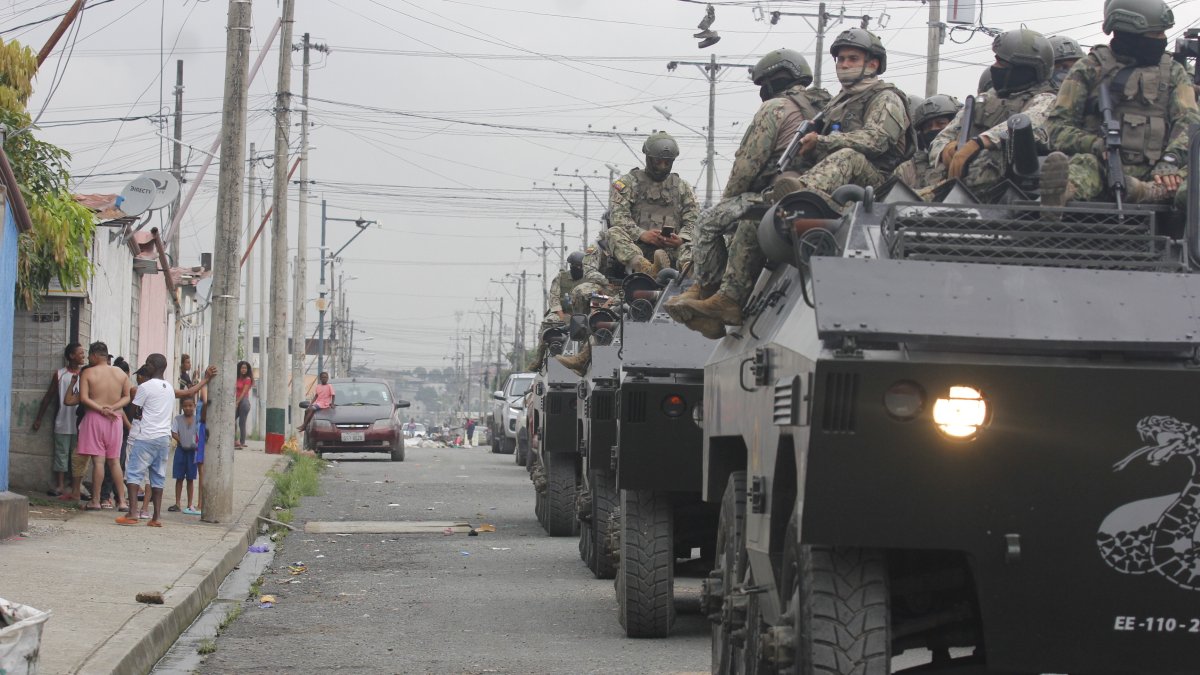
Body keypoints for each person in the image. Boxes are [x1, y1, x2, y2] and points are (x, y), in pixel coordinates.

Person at [672, 32, 911, 331]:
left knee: (847, 155)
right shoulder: (839, 102)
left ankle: (798, 198)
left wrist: (822, 141)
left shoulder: (886, 97)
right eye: (841, 59)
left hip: (876, 185)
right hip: (836, 182)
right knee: (752, 221)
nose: (845, 65)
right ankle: (728, 301)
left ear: (873, 64)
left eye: (854, 59)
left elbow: (877, 140)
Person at [666, 48, 830, 338]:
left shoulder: (774, 108)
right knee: (744, 223)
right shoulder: (820, 106)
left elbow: (747, 165)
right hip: (814, 191)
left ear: (771, 81)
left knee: (708, 222)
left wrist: (729, 199)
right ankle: (713, 299)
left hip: (777, 192)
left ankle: (707, 289)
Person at [1042, 0, 1199, 210]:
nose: (1163, 39)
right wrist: (1095, 145)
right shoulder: (1090, 68)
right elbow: (1056, 129)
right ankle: (1059, 196)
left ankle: (1146, 191)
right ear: (1130, 34)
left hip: (1162, 172)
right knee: (1082, 166)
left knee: (1194, 179)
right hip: (1103, 165)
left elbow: (1189, 122)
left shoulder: (1173, 71)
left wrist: (1171, 160)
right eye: (1156, 34)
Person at [931, 28, 1057, 198]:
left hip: (1015, 191)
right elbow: (942, 137)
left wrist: (979, 143)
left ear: (1025, 69)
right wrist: (947, 150)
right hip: (960, 193)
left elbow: (1030, 122)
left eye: (1002, 63)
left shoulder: (1047, 99)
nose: (994, 68)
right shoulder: (982, 100)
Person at [117, 354, 214, 527]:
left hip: (145, 436)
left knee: (133, 474)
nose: (145, 366)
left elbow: (137, 412)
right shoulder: (169, 387)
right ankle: (156, 518)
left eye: (147, 364)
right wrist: (206, 379)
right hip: (164, 439)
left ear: (152, 366)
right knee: (158, 476)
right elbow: (190, 392)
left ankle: (132, 513)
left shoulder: (144, 387)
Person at [606, 132, 700, 276]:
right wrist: (642, 234)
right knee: (613, 233)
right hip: (638, 248)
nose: (662, 166)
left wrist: (681, 238)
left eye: (667, 162)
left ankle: (688, 271)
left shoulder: (683, 187)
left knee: (698, 240)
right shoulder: (628, 183)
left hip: (673, 251)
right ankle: (647, 269)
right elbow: (619, 218)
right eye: (658, 161)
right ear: (649, 158)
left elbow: (694, 221)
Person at [530, 251, 609, 371]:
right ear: (570, 266)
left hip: (582, 313)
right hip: (562, 313)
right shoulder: (561, 277)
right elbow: (554, 299)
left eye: (579, 266)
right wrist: (562, 317)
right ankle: (538, 359)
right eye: (574, 266)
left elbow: (597, 297)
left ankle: (582, 354)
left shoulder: (589, 279)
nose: (577, 268)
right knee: (548, 322)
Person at [76, 342, 130, 512]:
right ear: (106, 356)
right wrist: (112, 408)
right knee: (114, 462)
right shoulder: (120, 373)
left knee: (98, 461)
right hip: (115, 420)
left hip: (95, 418)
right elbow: (128, 396)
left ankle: (96, 500)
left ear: (93, 356)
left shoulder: (88, 373)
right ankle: (122, 501)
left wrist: (101, 409)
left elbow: (84, 398)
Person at [30, 342, 85, 499]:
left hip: (80, 424)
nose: (83, 355)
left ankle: (75, 487)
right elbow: (48, 397)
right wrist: (39, 418)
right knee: (61, 454)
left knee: (78, 457)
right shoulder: (60, 374)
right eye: (80, 353)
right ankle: (60, 485)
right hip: (62, 421)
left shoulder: (86, 374)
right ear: (71, 356)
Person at [893, 94, 961, 189]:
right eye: (928, 126)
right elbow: (891, 199)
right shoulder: (908, 169)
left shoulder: (965, 161)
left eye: (941, 123)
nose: (934, 129)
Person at [169, 396, 200, 515]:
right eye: (185, 406)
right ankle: (177, 503)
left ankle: (190, 504)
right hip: (180, 451)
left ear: (194, 406)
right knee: (179, 477)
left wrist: (195, 443)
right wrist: (181, 440)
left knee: (190, 478)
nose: (187, 408)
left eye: (190, 406)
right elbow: (173, 432)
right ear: (182, 406)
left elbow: (199, 435)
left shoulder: (197, 420)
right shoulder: (177, 419)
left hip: (192, 452)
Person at [234, 361, 253, 448]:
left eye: (245, 368)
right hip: (236, 401)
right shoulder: (236, 378)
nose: (243, 370)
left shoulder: (248, 379)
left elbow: (244, 392)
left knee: (242, 422)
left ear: (247, 369)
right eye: (242, 368)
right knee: (231, 420)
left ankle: (242, 442)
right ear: (239, 368)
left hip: (244, 402)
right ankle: (235, 440)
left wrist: (237, 402)